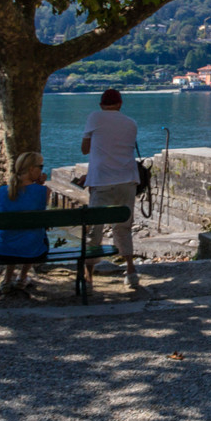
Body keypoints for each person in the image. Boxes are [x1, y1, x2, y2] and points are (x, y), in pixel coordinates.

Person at [82, 88, 141, 288]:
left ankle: (88, 277)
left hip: (101, 180)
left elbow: (84, 149)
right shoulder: (131, 123)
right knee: (124, 227)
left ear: (101, 105)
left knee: (94, 230)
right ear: (120, 104)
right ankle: (131, 272)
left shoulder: (95, 117)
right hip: (128, 179)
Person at [0, 151, 50, 296]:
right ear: (31, 169)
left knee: (14, 235)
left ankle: (7, 280)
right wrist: (40, 185)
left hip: (3, 250)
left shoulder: (3, 191)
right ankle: (22, 277)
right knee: (31, 236)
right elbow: (37, 205)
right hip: (34, 252)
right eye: (40, 167)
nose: (42, 170)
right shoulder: (44, 191)